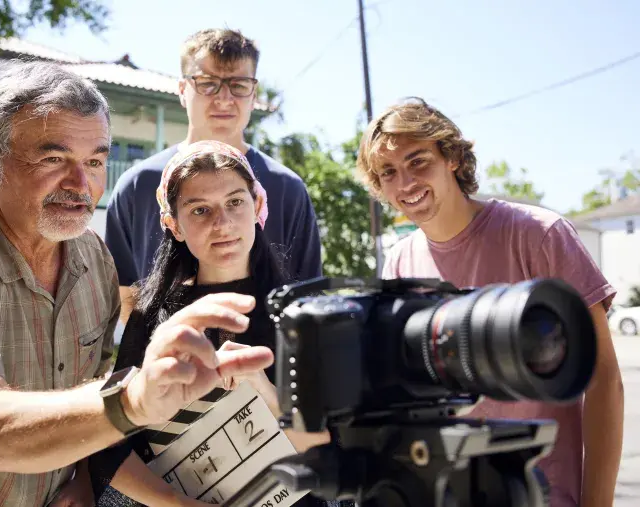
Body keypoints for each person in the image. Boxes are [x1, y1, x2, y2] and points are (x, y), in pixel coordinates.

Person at [0, 61, 273, 507]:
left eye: (95, 161)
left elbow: (88, 385)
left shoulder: (94, 259)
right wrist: (132, 400)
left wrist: (85, 475)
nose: (81, 184)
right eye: (53, 159)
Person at [355, 97, 624, 507]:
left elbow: (604, 379)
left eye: (418, 161)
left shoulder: (539, 234)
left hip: (544, 493)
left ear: (452, 158)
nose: (405, 182)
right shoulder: (398, 261)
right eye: (388, 172)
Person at [88, 141, 331, 507]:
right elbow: (109, 444)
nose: (222, 223)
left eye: (235, 202)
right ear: (174, 225)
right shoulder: (150, 316)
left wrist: (261, 386)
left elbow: (326, 456)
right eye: (200, 210)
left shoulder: (300, 316)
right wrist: (174, 503)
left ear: (258, 206)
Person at [105, 28, 322, 323]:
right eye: (207, 83)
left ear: (253, 94)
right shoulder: (136, 184)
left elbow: (307, 294)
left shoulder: (289, 188)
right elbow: (126, 291)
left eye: (239, 85)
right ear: (183, 90)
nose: (223, 98)